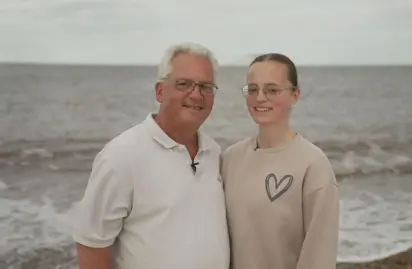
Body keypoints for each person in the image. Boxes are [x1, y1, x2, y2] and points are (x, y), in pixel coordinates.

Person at [72, 42, 230, 269]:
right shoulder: (121, 157)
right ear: (160, 91)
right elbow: (91, 246)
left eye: (206, 87)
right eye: (184, 84)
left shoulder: (214, 153)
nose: (196, 95)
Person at [221, 53, 339, 269]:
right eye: (253, 89)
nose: (260, 98)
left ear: (295, 95)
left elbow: (319, 257)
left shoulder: (313, 165)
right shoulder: (230, 158)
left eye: (272, 90)